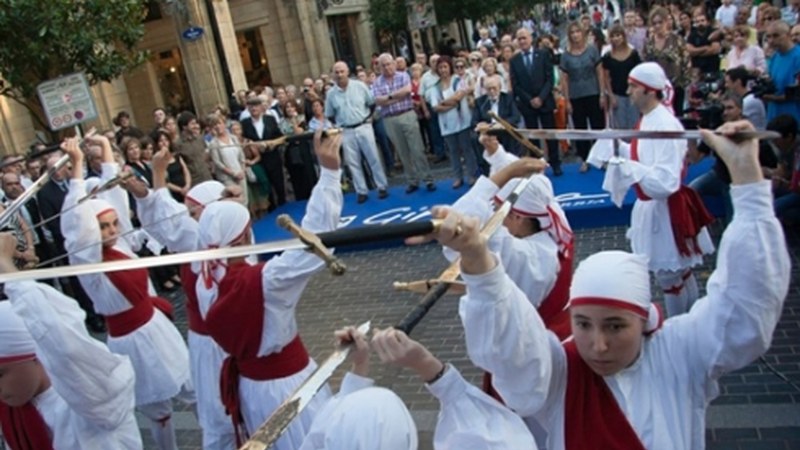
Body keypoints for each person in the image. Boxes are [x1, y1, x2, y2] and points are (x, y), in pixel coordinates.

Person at [427, 119, 790, 450]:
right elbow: (517, 357)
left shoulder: (679, 354)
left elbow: (744, 311)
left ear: (645, 319)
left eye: (615, 326)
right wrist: (478, 262)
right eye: (582, 324)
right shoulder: (561, 368)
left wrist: (750, 187)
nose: (597, 346)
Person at [191, 130, 343, 449]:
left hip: (250, 388)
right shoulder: (264, 282)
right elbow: (316, 244)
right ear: (244, 237)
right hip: (287, 385)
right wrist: (329, 173)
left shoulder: (204, 279)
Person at [60, 134, 194, 450]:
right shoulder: (89, 261)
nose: (109, 232)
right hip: (129, 341)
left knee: (191, 386)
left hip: (154, 326)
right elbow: (75, 224)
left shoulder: (121, 242)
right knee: (157, 411)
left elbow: (114, 192)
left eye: (111, 225)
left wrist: (106, 147)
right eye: (101, 227)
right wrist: (77, 165)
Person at [448, 134, 574, 403]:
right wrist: (498, 156)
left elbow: (462, 223)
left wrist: (502, 174)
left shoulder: (522, 256)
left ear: (516, 217)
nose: (495, 215)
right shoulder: (551, 218)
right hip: (559, 336)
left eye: (499, 211)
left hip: (527, 355)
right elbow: (529, 181)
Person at [587, 62, 715, 317]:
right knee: (679, 275)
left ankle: (680, 330)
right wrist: (618, 147)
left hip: (664, 210)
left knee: (671, 279)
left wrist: (628, 166)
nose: (628, 90)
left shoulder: (664, 124)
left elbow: (665, 182)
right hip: (656, 208)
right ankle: (689, 323)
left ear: (648, 90)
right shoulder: (649, 119)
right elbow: (644, 159)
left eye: (634, 86)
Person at [128, 167, 240, 450]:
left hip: (233, 339)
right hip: (208, 343)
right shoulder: (196, 239)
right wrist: (149, 189)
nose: (189, 220)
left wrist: (154, 183)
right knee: (219, 410)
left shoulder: (217, 237)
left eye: (194, 212)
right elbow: (166, 223)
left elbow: (171, 222)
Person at [0, 236, 142, 449]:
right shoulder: (15, 405)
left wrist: (10, 272)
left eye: (1, 373)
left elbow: (64, 345)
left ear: (38, 353)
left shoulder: (90, 401)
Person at [298, 326, 538, 449]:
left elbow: (329, 431)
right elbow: (496, 440)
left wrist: (360, 364)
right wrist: (425, 363)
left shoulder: (328, 435)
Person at [325, 61, 389, 203]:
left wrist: (368, 119)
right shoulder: (331, 94)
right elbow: (329, 114)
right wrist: (341, 125)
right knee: (353, 162)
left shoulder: (360, 86)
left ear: (348, 71)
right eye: (337, 72)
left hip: (363, 126)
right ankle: (361, 191)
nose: (340, 75)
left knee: (373, 157)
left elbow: (371, 104)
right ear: (333, 75)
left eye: (342, 71)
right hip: (346, 130)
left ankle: (382, 186)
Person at [373, 53, 437, 193]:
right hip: (390, 119)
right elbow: (378, 100)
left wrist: (388, 98)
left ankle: (428, 179)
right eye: (383, 65)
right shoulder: (377, 82)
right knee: (402, 152)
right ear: (379, 67)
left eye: (389, 64)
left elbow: (407, 91)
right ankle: (412, 180)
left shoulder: (403, 76)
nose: (386, 67)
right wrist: (396, 96)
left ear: (394, 64)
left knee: (417, 149)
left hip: (407, 114)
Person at [509, 28, 562, 176]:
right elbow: (516, 85)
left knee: (549, 134)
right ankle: (537, 166)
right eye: (519, 39)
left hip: (545, 101)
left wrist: (541, 97)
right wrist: (530, 99)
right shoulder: (515, 60)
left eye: (524, 38)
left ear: (531, 39)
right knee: (533, 139)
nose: (522, 41)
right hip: (528, 104)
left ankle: (555, 163)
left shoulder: (543, 54)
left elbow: (549, 79)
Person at [560, 21, 606, 173]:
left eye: (577, 32)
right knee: (580, 130)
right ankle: (585, 159)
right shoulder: (566, 56)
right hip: (576, 96)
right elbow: (564, 79)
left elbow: (600, 72)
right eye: (572, 33)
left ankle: (601, 158)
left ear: (582, 33)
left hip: (593, 93)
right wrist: (567, 100)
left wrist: (602, 93)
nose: (575, 35)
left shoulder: (592, 51)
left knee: (598, 127)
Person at [428, 56, 479, 189]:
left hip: (463, 121)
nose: (443, 70)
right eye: (440, 68)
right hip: (447, 125)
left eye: (445, 67)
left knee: (467, 149)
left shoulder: (459, 80)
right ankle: (457, 177)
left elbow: (459, 96)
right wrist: (451, 104)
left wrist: (444, 102)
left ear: (450, 67)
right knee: (453, 151)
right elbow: (435, 107)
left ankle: (472, 174)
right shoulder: (435, 87)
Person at [602, 25, 643, 130]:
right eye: (613, 36)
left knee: (635, 125)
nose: (616, 38)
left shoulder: (633, 54)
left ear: (623, 36)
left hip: (633, 94)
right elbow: (606, 77)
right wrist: (611, 96)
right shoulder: (607, 57)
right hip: (617, 95)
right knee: (620, 127)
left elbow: (639, 73)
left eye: (618, 35)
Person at [473, 75, 523, 156]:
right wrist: (480, 124)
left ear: (499, 87)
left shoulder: (508, 98)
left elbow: (516, 117)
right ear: (485, 90)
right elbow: (474, 121)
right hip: (488, 131)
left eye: (494, 88)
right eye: (489, 89)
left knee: (512, 136)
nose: (492, 91)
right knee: (476, 138)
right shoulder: (480, 102)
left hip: (504, 129)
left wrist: (501, 124)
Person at [762, 20, 800, 124]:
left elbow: (797, 93)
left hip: (793, 119)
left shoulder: (798, 56)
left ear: (788, 35)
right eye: (768, 37)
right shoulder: (775, 57)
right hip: (774, 117)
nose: (771, 40)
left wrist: (774, 98)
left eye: (776, 36)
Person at [175, 111, 213, 186]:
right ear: (184, 126)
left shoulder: (200, 139)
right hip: (194, 181)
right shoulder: (178, 144)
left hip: (207, 176)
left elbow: (206, 154)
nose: (195, 126)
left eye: (196, 123)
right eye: (192, 124)